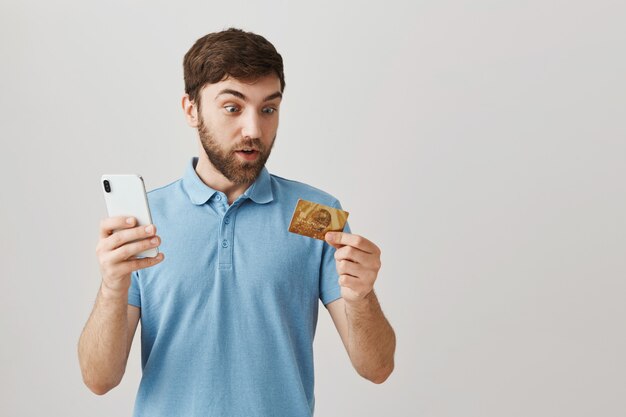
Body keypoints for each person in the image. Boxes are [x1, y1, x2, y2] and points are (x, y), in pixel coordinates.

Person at [78, 28, 396, 417]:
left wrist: (362, 296)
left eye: (268, 109)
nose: (253, 130)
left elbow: (377, 368)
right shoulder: (146, 220)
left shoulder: (315, 213)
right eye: (233, 108)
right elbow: (99, 379)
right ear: (191, 109)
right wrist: (113, 287)